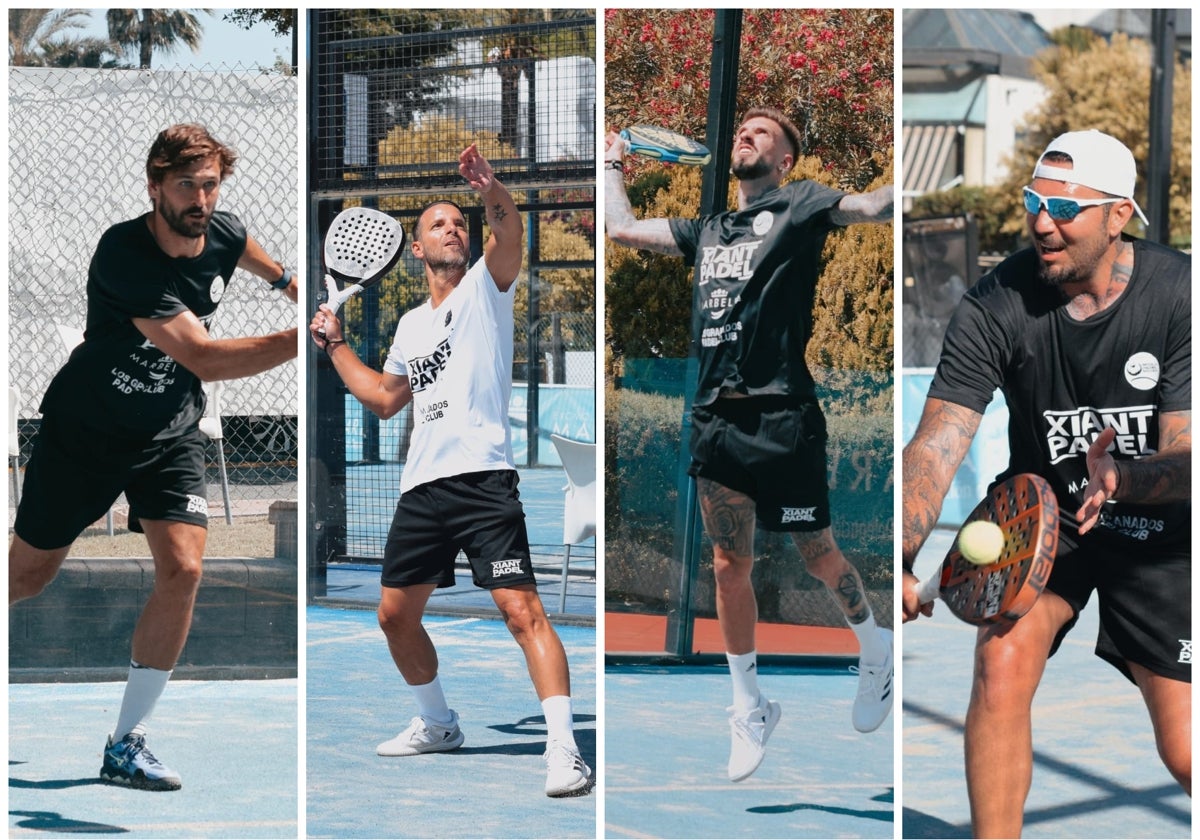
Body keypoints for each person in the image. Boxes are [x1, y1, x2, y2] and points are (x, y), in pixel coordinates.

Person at [901, 129, 1191, 837]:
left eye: (1064, 207)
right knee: (999, 660)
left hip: (1163, 528)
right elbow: (938, 442)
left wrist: (1124, 477)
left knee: (1185, 749)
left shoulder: (1181, 294)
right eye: (1035, 200)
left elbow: (1189, 456)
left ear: (1118, 215)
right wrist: (898, 550)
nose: (1040, 221)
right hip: (1043, 520)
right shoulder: (995, 302)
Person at [604, 107, 895, 782]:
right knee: (727, 566)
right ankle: (748, 708)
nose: (747, 135)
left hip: (782, 416)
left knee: (818, 556)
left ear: (787, 159)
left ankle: (873, 647)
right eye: (743, 129)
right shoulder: (706, 230)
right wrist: (611, 164)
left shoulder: (802, 204)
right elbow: (619, 229)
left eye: (764, 133)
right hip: (715, 419)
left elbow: (875, 206)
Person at [9, 123, 299, 791]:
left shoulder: (221, 229)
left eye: (210, 184)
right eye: (185, 186)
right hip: (86, 434)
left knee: (185, 566)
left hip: (169, 433)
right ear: (154, 187)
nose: (201, 198)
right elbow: (201, 355)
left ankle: (124, 745)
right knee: (26, 578)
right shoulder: (124, 254)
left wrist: (285, 279)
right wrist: (298, 336)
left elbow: (239, 245)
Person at [308, 144, 593, 798]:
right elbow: (383, 399)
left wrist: (493, 189)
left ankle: (565, 751)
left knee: (522, 611)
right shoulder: (411, 325)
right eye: (439, 224)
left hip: (483, 482)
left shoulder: (487, 291)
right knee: (392, 616)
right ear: (416, 249)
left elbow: (509, 230)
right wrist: (337, 345)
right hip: (421, 491)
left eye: (459, 222)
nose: (454, 229)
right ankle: (438, 723)